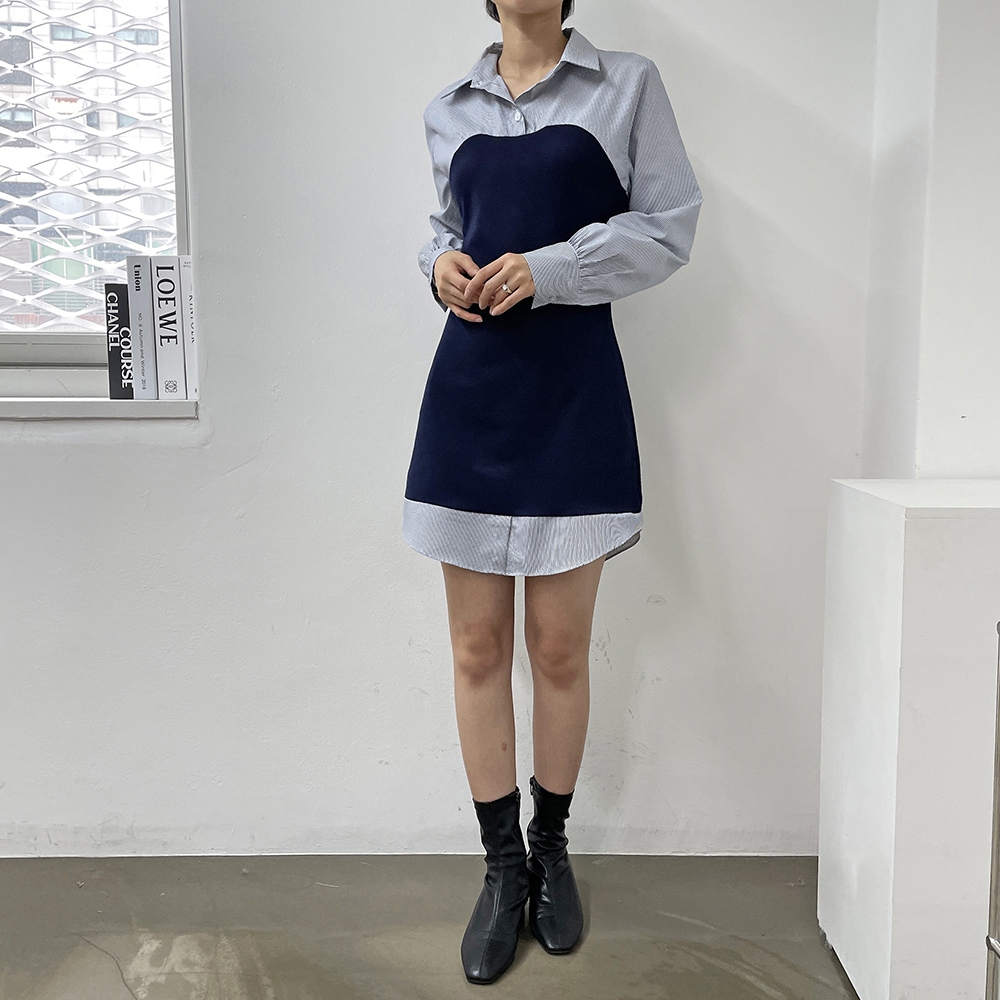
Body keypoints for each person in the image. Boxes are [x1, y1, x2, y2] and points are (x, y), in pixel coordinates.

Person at [402, 0, 702, 984]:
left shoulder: (628, 86)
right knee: (476, 647)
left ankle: (551, 852)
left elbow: (668, 228)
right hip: (469, 399)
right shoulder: (448, 107)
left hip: (574, 396)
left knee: (560, 648)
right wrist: (440, 267)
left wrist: (550, 268)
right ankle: (500, 873)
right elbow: (444, 230)